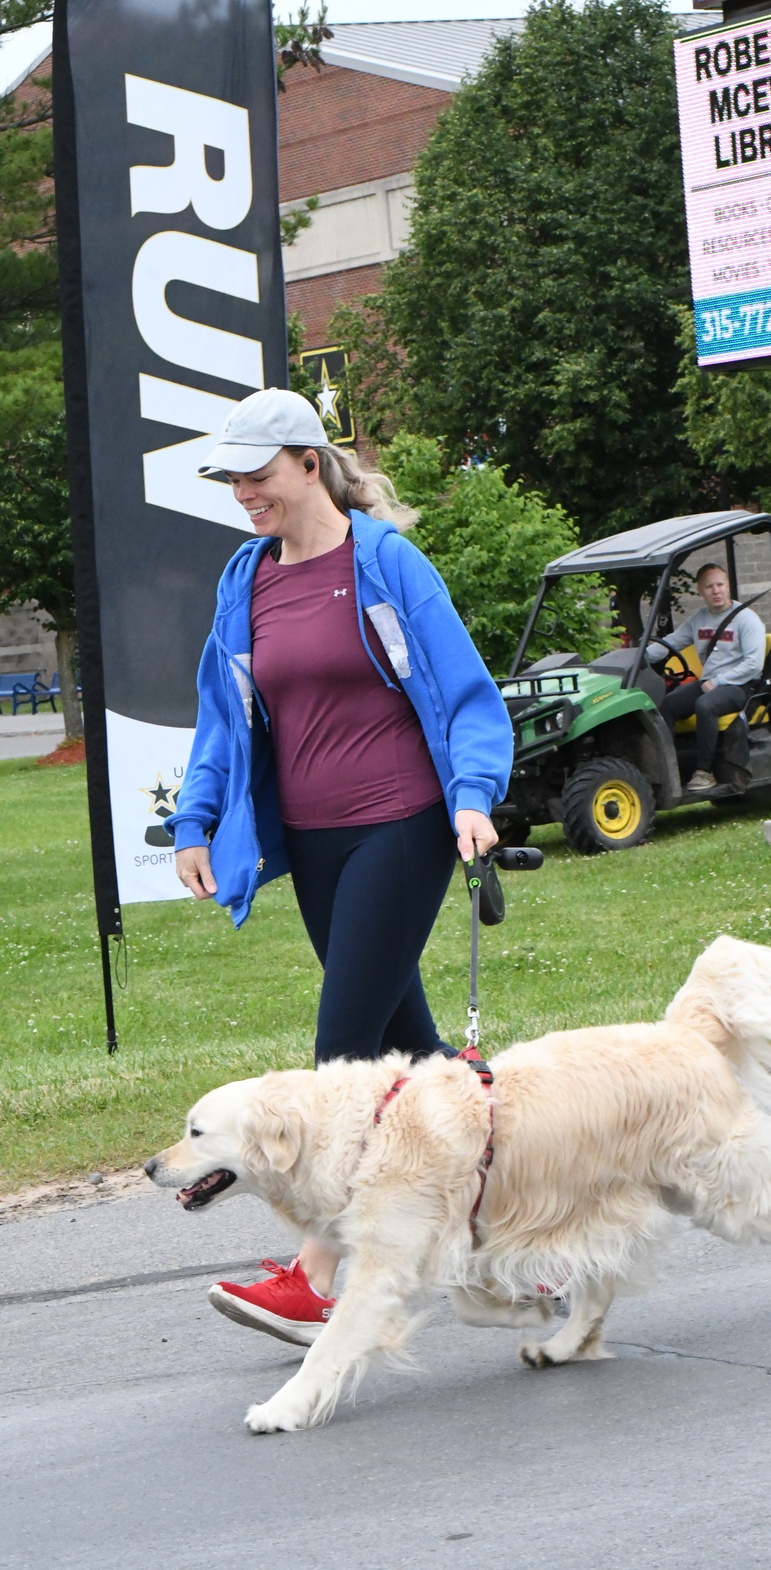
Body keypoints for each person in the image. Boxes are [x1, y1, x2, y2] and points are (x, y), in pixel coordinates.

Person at [165, 387, 512, 1347]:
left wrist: (474, 795)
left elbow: (461, 688)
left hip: (400, 826)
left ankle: (319, 1276)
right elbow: (222, 717)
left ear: (310, 463)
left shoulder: (387, 564)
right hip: (313, 845)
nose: (243, 492)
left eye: (258, 473)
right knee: (419, 1062)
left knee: (343, 1057)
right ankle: (515, 1244)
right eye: (232, 477)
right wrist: (195, 821)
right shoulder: (247, 580)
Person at [650, 562, 766, 791]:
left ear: (728, 586)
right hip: (710, 682)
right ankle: (667, 769)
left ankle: (705, 771)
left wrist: (719, 681)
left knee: (706, 706)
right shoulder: (698, 620)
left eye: (720, 585)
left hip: (741, 685)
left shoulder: (747, 619)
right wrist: (637, 657)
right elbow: (670, 643)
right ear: (700, 590)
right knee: (667, 704)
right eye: (710, 586)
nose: (716, 591)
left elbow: (754, 664)